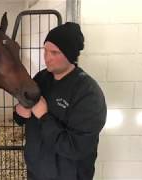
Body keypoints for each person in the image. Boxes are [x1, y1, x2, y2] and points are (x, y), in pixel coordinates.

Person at [14, 22, 107, 180]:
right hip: (36, 171)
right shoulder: (41, 79)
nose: (47, 57)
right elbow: (21, 117)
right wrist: (19, 112)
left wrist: (44, 116)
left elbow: (75, 148)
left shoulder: (88, 94)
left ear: (70, 55)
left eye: (55, 52)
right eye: (45, 50)